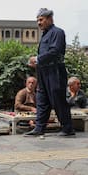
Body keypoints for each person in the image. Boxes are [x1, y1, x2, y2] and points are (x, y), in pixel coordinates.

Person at [26, 8, 75, 137]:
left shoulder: (57, 33)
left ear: (49, 19)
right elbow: (43, 55)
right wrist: (36, 62)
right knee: (42, 99)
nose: (39, 23)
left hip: (55, 71)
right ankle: (39, 128)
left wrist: (37, 59)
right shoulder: (44, 35)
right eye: (38, 20)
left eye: (41, 20)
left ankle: (67, 128)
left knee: (57, 99)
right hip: (43, 71)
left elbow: (55, 52)